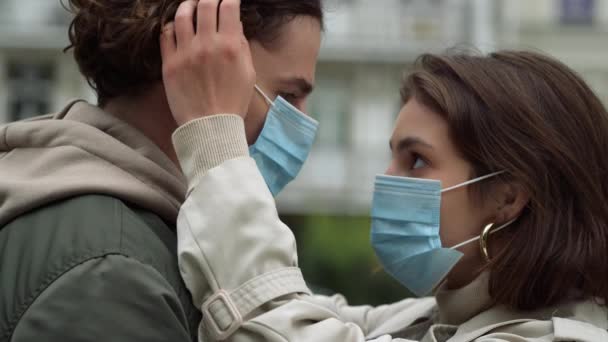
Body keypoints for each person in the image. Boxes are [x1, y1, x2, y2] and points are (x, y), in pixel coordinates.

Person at [165, 3, 608, 341]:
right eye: (392, 157)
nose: (387, 180)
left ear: (509, 197)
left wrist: (214, 138)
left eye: (416, 160)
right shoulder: (438, 320)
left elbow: (280, 328)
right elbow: (298, 311)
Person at [0, 0, 323, 341]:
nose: (302, 123)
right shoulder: (113, 273)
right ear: (195, 64)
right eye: (287, 96)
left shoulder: (135, 232)